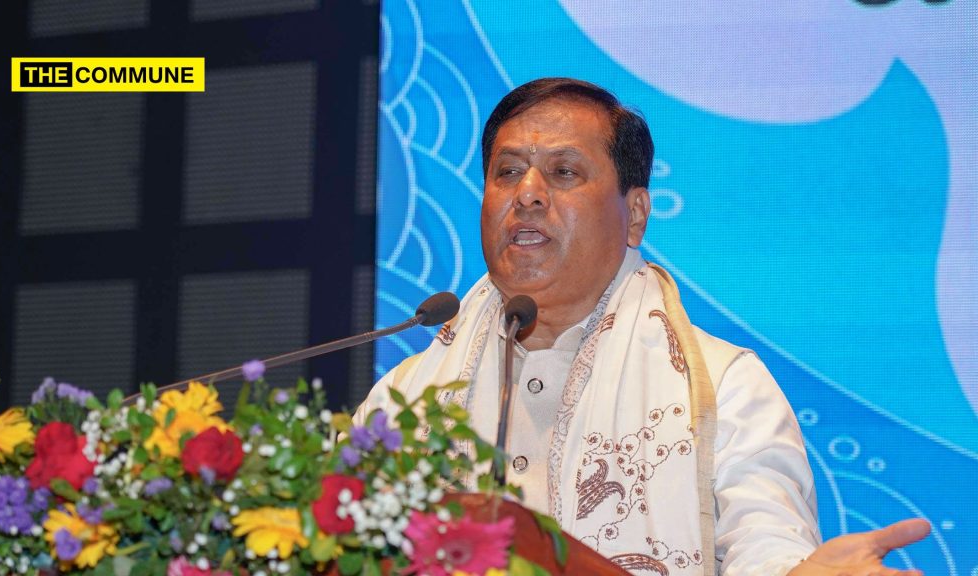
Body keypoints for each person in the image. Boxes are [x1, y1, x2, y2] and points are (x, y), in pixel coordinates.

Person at [356, 78, 930, 575]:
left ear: (634, 215)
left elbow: (765, 545)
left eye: (563, 172)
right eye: (507, 172)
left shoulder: (726, 388)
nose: (527, 194)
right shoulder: (402, 399)